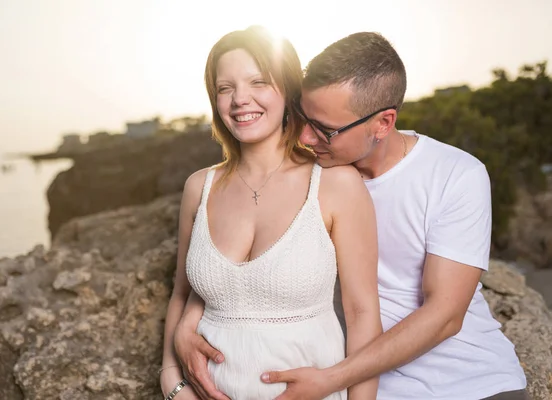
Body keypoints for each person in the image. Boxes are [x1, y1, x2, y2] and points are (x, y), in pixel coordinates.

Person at [174, 32, 530, 400]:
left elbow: (444, 315)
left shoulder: (455, 175)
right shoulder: (309, 176)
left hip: (469, 382)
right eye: (303, 117)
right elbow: (235, 264)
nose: (307, 138)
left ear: (383, 123)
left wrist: (333, 379)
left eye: (325, 130)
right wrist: (189, 321)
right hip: (369, 385)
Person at [160, 26, 382, 400]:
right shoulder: (199, 187)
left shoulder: (335, 184)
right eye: (225, 88)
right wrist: (171, 382)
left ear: (288, 90)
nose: (239, 99)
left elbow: (361, 313)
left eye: (258, 81)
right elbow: (181, 294)